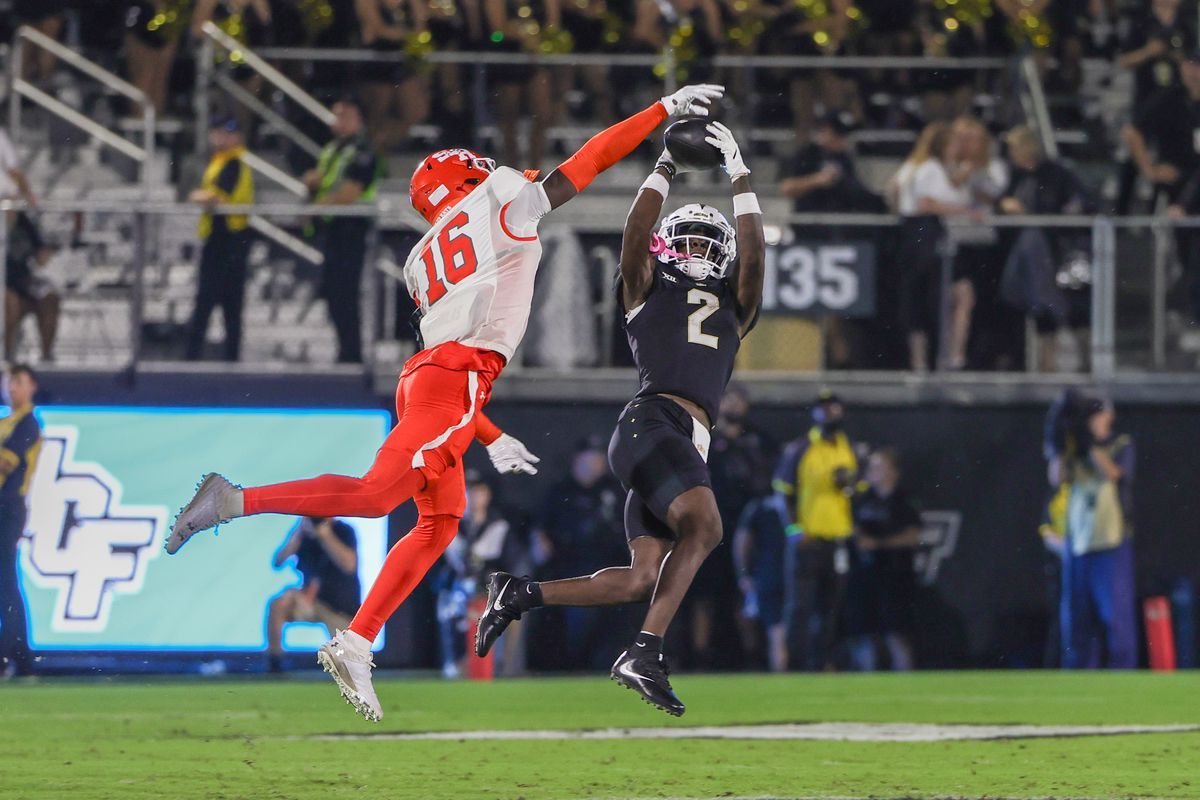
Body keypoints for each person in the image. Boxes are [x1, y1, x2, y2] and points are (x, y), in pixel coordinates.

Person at [165, 83, 726, 722]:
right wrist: (659, 111)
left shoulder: (419, 257)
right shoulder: (498, 200)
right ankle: (232, 501)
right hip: (457, 378)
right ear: (468, 177)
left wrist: (488, 434)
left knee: (440, 520)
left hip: (432, 379)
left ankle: (355, 640)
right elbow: (589, 162)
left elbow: (448, 348)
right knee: (380, 495)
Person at [475, 121, 764, 716]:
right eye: (688, 240)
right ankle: (645, 653)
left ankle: (520, 593)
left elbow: (755, 257)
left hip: (669, 445)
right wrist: (663, 167)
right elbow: (634, 234)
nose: (700, 252)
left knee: (641, 580)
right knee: (705, 529)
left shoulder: (738, 305)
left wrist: (742, 178)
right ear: (666, 246)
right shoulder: (645, 287)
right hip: (654, 425)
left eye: (711, 244)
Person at [997, 126, 1094, 372]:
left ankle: (1085, 362)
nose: (1013, 153)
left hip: (1059, 250)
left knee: (1073, 307)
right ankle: (1045, 366)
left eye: (1017, 147)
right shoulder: (1017, 176)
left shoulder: (1057, 174)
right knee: (1040, 310)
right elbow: (1003, 204)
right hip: (1029, 254)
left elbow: (1076, 206)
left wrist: (1030, 214)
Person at [773, 390, 858, 671]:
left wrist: (849, 484)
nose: (829, 413)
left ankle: (823, 662)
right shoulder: (800, 449)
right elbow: (783, 493)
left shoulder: (848, 449)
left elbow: (855, 490)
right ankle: (796, 665)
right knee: (800, 607)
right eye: (823, 408)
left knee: (831, 608)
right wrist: (794, 530)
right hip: (807, 540)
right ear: (815, 414)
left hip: (837, 539)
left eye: (833, 407)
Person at [1050, 396, 1137, 669]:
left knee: (1115, 616)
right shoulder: (1075, 448)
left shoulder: (1121, 444)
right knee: (1076, 619)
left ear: (1109, 415)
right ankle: (1077, 680)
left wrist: (1090, 444)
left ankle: (1123, 677)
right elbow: (1057, 478)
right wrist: (1060, 442)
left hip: (1111, 541)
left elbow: (1113, 473)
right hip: (1079, 542)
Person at [529, 435, 626, 672]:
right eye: (590, 458)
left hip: (609, 569)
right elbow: (540, 532)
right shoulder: (560, 492)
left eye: (599, 459)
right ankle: (573, 668)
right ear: (576, 460)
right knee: (575, 625)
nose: (595, 464)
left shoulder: (613, 491)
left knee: (610, 628)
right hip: (569, 571)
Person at [304, 97, 382, 364]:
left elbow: (352, 190)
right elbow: (324, 182)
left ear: (358, 120)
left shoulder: (362, 150)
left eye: (346, 116)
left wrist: (319, 205)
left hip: (352, 227)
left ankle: (352, 354)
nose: (341, 122)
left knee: (345, 294)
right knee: (333, 293)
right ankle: (345, 351)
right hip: (333, 227)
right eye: (337, 116)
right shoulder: (333, 149)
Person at [846, 448, 921, 672]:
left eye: (880, 467)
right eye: (871, 467)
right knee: (864, 635)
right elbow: (851, 530)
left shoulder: (904, 500)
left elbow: (912, 537)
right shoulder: (861, 500)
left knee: (897, 634)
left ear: (894, 472)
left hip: (895, 574)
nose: (873, 472)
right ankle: (867, 688)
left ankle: (905, 687)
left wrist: (878, 544)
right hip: (864, 575)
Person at [186, 117, 254, 362]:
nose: (225, 138)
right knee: (218, 306)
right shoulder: (219, 161)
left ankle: (200, 359)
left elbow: (215, 197)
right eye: (221, 132)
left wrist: (198, 196)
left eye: (230, 134)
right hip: (220, 240)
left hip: (229, 242)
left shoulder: (233, 163)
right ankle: (209, 358)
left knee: (217, 305)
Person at [889, 121, 950, 372]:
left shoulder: (910, 166)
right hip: (925, 232)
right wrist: (968, 211)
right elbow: (927, 204)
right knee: (930, 298)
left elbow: (892, 192)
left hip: (907, 232)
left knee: (913, 299)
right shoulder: (932, 167)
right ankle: (933, 361)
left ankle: (918, 361)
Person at [266, 517, 360, 673]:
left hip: (339, 606)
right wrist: (298, 534)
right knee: (279, 603)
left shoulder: (344, 530)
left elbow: (349, 565)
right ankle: (274, 662)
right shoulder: (304, 533)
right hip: (310, 600)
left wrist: (325, 535)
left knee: (350, 667)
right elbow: (278, 561)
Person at [0, 366, 42, 678]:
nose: (12, 387)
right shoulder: (7, 422)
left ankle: (16, 656)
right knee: (6, 583)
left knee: (6, 583)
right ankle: (18, 655)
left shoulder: (28, 423)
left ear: (31, 387)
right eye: (10, 382)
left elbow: (5, 463)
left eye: (18, 382)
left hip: (9, 506)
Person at [732, 493, 790, 672]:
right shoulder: (764, 507)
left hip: (775, 573)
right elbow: (743, 541)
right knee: (777, 626)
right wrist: (743, 574)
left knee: (776, 627)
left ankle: (778, 669)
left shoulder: (761, 507)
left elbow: (742, 542)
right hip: (777, 573)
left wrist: (743, 573)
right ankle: (777, 668)